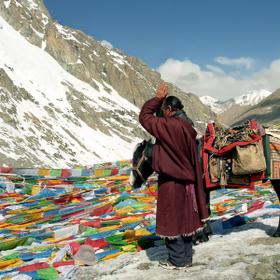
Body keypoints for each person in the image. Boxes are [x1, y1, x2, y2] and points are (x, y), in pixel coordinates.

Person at [139, 83, 209, 270]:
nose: (161, 114)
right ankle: (186, 258)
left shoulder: (169, 126)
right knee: (185, 219)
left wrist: (157, 99)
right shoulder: (188, 128)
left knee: (171, 220)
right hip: (188, 183)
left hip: (171, 182)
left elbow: (144, 117)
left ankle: (177, 261)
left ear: (169, 110)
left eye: (163, 110)